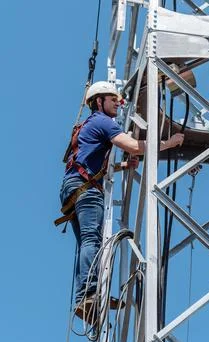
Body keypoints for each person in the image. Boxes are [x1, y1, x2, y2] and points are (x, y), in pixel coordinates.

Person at [60, 81, 184, 322]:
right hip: (86, 190)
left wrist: (121, 166)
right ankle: (90, 293)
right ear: (99, 102)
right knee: (91, 240)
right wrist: (168, 143)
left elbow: (88, 162)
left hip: (74, 187)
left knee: (87, 242)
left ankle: (84, 298)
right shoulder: (103, 121)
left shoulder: (90, 125)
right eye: (112, 99)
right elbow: (133, 146)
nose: (117, 102)